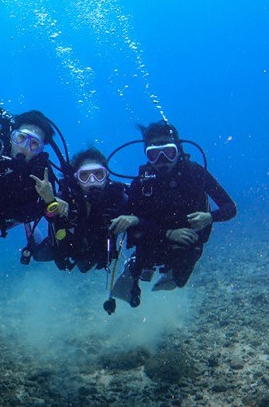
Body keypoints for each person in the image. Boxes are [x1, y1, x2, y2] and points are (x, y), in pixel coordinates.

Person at [110, 122, 236, 307]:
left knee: (180, 278)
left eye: (168, 152)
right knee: (142, 260)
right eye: (154, 154)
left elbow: (230, 207)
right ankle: (134, 267)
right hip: (154, 239)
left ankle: (172, 272)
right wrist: (168, 233)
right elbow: (132, 225)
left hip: (187, 243)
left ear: (178, 149)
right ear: (146, 154)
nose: (162, 160)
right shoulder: (142, 184)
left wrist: (210, 217)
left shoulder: (196, 173)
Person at [0, 109, 66, 262]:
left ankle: (28, 227)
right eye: (21, 138)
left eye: (34, 144)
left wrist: (50, 200)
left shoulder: (42, 171)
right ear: (11, 136)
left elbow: (51, 216)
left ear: (40, 150)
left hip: (19, 217)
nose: (25, 147)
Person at [47, 149, 129, 273]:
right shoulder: (65, 197)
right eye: (84, 175)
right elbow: (48, 215)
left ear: (106, 176)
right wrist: (50, 202)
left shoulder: (118, 198)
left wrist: (134, 219)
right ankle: (29, 227)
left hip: (95, 252)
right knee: (38, 255)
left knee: (84, 267)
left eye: (98, 173)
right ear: (76, 179)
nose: (92, 180)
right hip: (69, 248)